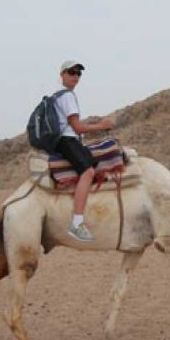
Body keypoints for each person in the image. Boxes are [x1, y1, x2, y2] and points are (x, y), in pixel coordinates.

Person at [54, 60, 113, 241]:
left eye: (79, 73)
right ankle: (77, 223)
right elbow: (77, 128)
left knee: (95, 165)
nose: (76, 77)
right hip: (67, 140)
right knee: (88, 172)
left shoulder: (58, 97)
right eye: (72, 72)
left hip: (68, 140)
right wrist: (101, 126)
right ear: (62, 74)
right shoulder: (67, 97)